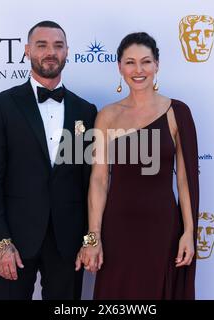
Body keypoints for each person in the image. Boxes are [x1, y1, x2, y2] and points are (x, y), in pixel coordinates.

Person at [0, 20, 97, 300]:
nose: (50, 52)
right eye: (42, 45)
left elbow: (91, 182)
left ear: (67, 52)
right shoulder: (1, 106)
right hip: (14, 241)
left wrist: (89, 240)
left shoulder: (86, 110)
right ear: (27, 50)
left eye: (58, 46)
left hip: (68, 243)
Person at [75, 32, 199, 299]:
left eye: (146, 61)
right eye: (130, 62)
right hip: (116, 230)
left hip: (163, 229)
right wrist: (92, 239)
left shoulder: (177, 112)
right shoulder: (107, 115)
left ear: (157, 65)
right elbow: (98, 181)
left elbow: (185, 180)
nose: (138, 70)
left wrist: (189, 232)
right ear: (119, 67)